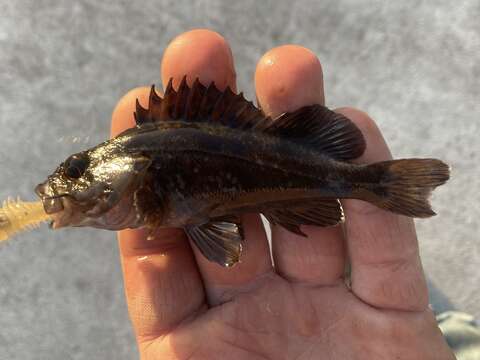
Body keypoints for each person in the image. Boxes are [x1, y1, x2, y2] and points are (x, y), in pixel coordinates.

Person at [110, 29, 456, 359]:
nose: (64, 189)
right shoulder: (142, 166)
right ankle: (448, 322)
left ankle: (446, 321)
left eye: (77, 172)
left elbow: (211, 233)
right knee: (452, 329)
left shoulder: (142, 170)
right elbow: (211, 232)